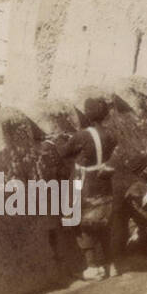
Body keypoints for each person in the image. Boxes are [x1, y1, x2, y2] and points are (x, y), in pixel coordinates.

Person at [56, 96, 119, 280]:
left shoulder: (81, 136)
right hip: (103, 183)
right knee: (102, 222)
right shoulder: (110, 134)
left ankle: (92, 268)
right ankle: (111, 265)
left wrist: (60, 138)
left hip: (84, 184)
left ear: (88, 115)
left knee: (79, 221)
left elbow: (63, 152)